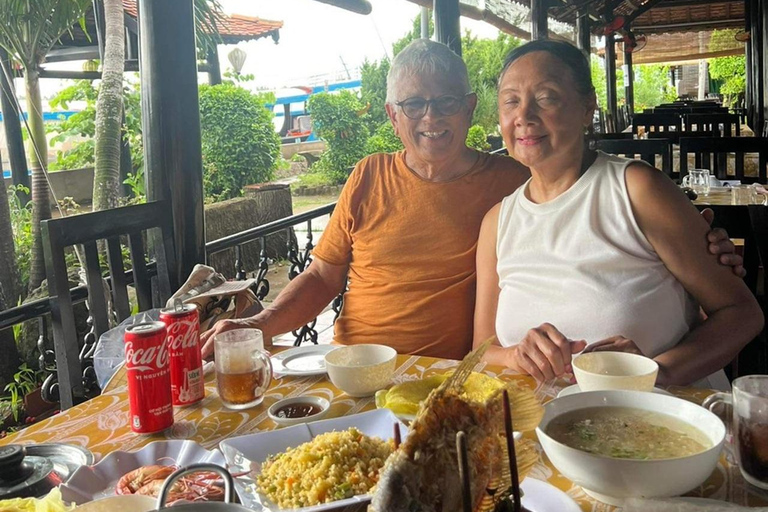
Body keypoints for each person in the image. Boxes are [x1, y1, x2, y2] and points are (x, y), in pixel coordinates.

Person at [201, 39, 743, 361]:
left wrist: (697, 253)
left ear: (468, 108)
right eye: (414, 105)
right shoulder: (371, 177)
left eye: (445, 103)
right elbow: (321, 278)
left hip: (449, 375)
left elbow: (597, 218)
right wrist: (258, 323)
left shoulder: (515, 180)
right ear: (393, 116)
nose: (430, 118)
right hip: (355, 368)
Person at [473, 40, 763, 389]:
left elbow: (741, 313)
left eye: (546, 97)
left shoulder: (637, 189)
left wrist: (657, 372)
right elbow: (481, 351)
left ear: (587, 107)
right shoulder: (497, 222)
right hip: (547, 428)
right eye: (510, 101)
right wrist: (515, 354)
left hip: (664, 419)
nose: (524, 116)